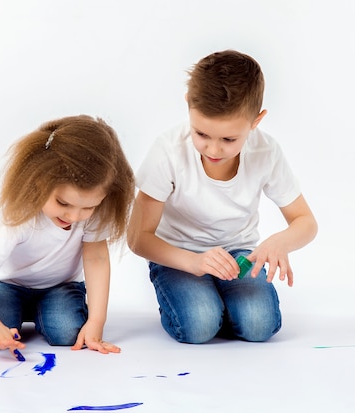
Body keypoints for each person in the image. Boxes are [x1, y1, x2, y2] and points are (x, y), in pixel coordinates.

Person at [127, 50, 318, 344]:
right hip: (179, 256)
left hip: (238, 255)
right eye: (201, 134)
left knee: (259, 325)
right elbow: (138, 238)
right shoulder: (168, 151)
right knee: (199, 325)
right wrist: (193, 263)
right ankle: (207, 305)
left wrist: (281, 241)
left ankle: (219, 304)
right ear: (188, 105)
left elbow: (305, 221)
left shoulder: (266, 152)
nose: (213, 150)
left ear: (256, 121)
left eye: (229, 139)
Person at [0, 115, 135, 357]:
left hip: (58, 287)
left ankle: (42, 312)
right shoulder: (21, 215)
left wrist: (97, 321)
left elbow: (96, 258)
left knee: (68, 333)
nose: (75, 216)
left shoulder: (94, 211)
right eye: (63, 202)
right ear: (39, 182)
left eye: (88, 207)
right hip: (6, 285)